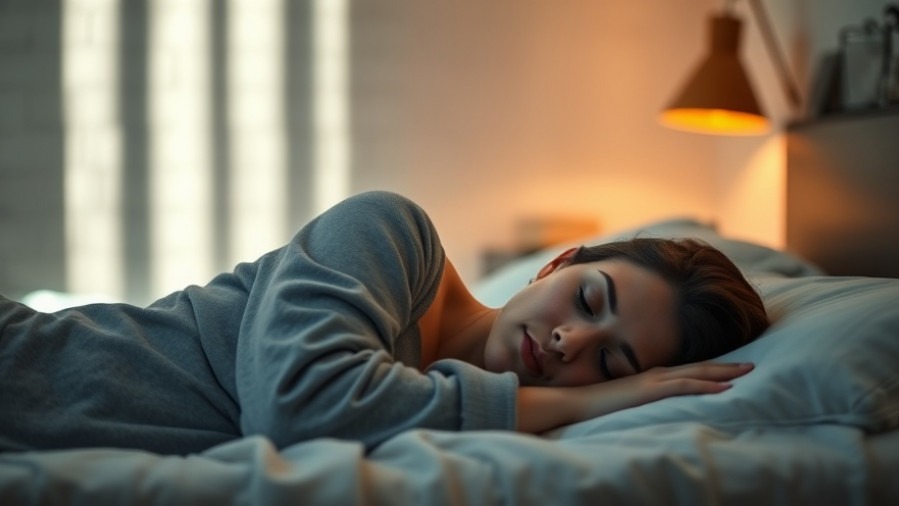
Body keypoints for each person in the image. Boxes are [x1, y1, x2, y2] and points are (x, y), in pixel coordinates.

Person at [0, 191, 767, 455]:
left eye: (610, 363)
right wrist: (589, 397)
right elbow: (298, 406)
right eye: (588, 300)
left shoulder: (442, 411)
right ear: (555, 263)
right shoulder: (392, 234)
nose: (571, 342)